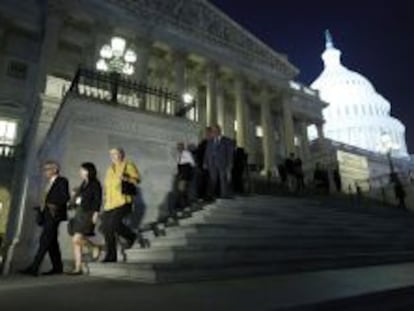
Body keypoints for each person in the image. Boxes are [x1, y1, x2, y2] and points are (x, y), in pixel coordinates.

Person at [20, 161, 70, 276]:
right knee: (52, 243)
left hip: (54, 215)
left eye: (48, 169)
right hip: (46, 214)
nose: (45, 172)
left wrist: (51, 204)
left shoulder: (62, 181)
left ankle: (34, 267)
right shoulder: (49, 183)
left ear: (55, 169)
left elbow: (64, 197)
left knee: (44, 241)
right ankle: (57, 268)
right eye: (44, 169)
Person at [101, 148, 140, 263]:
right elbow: (107, 187)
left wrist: (127, 178)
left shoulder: (128, 165)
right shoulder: (109, 170)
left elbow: (137, 180)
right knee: (105, 228)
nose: (113, 156)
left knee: (113, 224)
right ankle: (111, 256)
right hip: (110, 204)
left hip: (123, 201)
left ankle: (131, 236)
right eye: (111, 154)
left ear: (122, 155)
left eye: (115, 153)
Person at [67, 162, 102, 275]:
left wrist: (96, 213)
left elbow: (97, 200)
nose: (80, 172)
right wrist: (74, 197)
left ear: (88, 171)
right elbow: (79, 199)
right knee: (75, 243)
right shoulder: (83, 184)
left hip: (88, 213)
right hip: (79, 213)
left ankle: (94, 247)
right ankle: (78, 268)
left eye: (82, 170)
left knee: (76, 239)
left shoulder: (95, 184)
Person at [204, 125, 235, 199]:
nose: (213, 132)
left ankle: (224, 195)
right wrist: (205, 162)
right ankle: (210, 195)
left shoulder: (227, 140)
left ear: (219, 131)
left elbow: (230, 153)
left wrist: (230, 164)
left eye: (215, 130)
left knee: (223, 179)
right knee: (212, 179)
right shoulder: (210, 141)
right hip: (212, 163)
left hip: (222, 163)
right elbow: (207, 152)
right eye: (212, 131)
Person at [175, 142, 196, 212]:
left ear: (183, 147)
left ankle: (184, 204)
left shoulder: (187, 153)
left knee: (182, 189)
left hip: (186, 170)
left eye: (180, 147)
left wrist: (189, 172)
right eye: (178, 147)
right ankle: (182, 204)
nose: (178, 148)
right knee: (181, 189)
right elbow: (178, 163)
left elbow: (192, 163)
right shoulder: (178, 154)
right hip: (180, 171)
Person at [196, 127, 213, 201]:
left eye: (209, 133)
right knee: (204, 181)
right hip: (203, 165)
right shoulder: (203, 143)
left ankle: (208, 195)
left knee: (209, 181)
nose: (208, 134)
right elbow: (199, 153)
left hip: (211, 165)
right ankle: (203, 195)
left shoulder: (213, 142)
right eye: (207, 133)